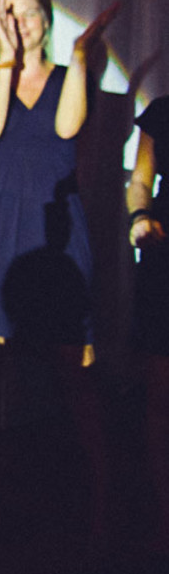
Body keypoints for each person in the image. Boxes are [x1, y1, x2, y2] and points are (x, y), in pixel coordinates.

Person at [0, 0, 115, 541]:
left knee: (73, 371)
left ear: (46, 20)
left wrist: (79, 60)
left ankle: (101, 501)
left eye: (30, 11)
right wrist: (6, 63)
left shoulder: (64, 75)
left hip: (55, 230)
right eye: (8, 12)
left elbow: (66, 128)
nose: (21, 20)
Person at [129, 94, 169, 550]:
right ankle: (163, 514)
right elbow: (141, 179)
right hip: (164, 256)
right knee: (160, 394)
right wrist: (139, 216)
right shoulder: (162, 110)